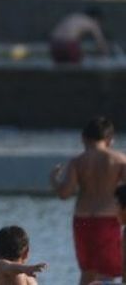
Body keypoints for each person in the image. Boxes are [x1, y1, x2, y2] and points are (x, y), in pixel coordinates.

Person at [48, 116, 126, 285]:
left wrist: (54, 180)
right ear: (110, 140)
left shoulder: (78, 161)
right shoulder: (119, 160)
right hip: (110, 218)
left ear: (84, 138)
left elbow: (64, 193)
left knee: (88, 270)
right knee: (109, 269)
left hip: (83, 220)